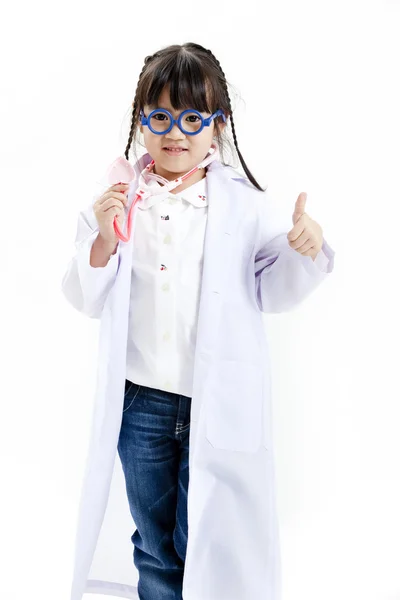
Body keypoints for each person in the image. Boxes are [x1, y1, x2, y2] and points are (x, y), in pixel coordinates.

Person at [62, 42, 335, 600]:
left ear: (220, 126)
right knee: (157, 544)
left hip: (216, 401)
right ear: (141, 123)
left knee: (212, 540)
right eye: (159, 117)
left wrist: (302, 249)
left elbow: (270, 291)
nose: (175, 133)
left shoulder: (244, 205)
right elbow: (86, 297)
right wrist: (102, 241)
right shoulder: (115, 203)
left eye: (193, 118)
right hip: (141, 406)